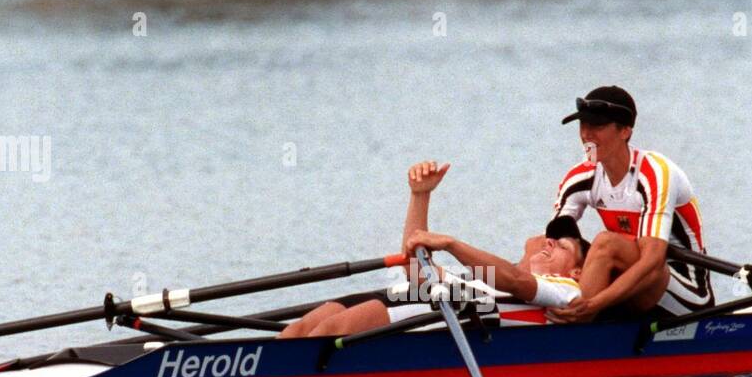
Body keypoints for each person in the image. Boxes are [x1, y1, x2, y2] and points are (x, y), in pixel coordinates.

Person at [279, 161, 587, 339]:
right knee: (301, 328)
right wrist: (420, 196)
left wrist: (451, 244)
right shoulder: (484, 277)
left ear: (576, 271)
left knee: (330, 329)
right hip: (413, 299)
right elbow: (416, 271)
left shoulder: (567, 289)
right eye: (548, 239)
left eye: (562, 245)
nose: (549, 243)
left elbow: (514, 281)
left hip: (436, 313)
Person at [546, 85, 714, 323]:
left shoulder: (655, 172)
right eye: (583, 125)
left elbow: (652, 262)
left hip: (686, 292)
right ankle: (512, 310)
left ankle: (573, 327)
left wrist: (595, 304)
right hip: (630, 286)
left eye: (597, 126)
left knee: (606, 244)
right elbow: (553, 243)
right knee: (538, 246)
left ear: (625, 131)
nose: (586, 135)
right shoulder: (581, 176)